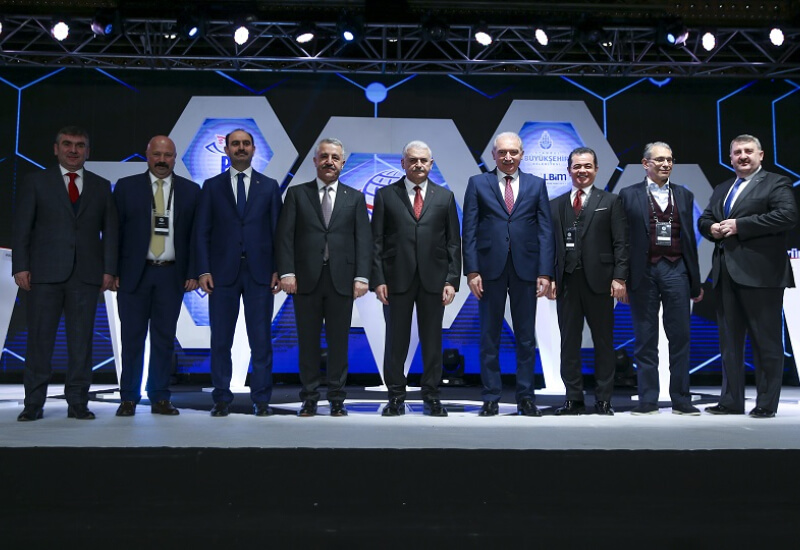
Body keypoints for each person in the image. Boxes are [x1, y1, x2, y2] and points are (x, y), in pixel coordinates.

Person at [12, 126, 118, 421]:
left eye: (80, 145)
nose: (73, 150)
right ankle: (33, 403)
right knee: (39, 341)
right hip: (44, 275)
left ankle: (78, 402)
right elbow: (22, 227)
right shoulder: (36, 182)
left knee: (81, 343)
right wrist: (20, 265)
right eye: (68, 144)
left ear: (88, 151)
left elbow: (111, 232)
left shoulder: (101, 185)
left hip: (86, 276)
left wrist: (109, 270)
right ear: (56, 149)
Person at [698, 134, 798, 418]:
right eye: (737, 152)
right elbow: (705, 218)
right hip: (725, 274)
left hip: (762, 275)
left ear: (760, 155)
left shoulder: (776, 182)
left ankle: (766, 403)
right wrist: (711, 228)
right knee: (729, 342)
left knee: (766, 341)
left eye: (748, 151)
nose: (742, 156)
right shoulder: (723, 188)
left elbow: (787, 216)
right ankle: (731, 401)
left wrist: (740, 225)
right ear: (730, 158)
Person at [276, 138, 371, 417]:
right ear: (315, 161)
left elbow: (363, 240)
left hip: (342, 280)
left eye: (335, 157)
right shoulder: (297, 194)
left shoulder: (355, 197)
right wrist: (287, 272)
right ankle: (309, 398)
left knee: (339, 343)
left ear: (343, 163)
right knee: (307, 342)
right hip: (305, 280)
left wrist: (362, 276)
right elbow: (285, 236)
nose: (330, 162)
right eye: (325, 156)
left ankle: (337, 398)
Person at [462, 131, 555, 416]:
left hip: (526, 268)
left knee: (525, 337)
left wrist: (545, 272)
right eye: (502, 152)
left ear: (522, 154)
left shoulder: (537, 184)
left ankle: (526, 397)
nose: (508, 157)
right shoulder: (478, 183)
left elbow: (545, 231)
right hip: (489, 269)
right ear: (493, 155)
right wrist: (472, 270)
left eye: (513, 152)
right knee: (489, 336)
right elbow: (470, 229)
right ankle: (491, 397)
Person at [195, 129, 282, 417]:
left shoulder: (269, 186)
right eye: (235, 144)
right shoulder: (211, 186)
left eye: (246, 144)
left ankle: (262, 400)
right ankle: (221, 398)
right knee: (221, 340)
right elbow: (201, 231)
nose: (241, 148)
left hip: (260, 274)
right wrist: (203, 270)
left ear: (254, 149)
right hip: (221, 275)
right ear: (226, 149)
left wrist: (278, 269)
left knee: (261, 341)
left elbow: (279, 233)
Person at [371, 141, 462, 417]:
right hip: (396, 279)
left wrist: (451, 280)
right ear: (403, 163)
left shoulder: (445, 197)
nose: (418, 164)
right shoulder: (386, 195)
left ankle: (431, 396)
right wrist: (378, 279)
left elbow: (453, 243)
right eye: (413, 160)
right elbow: (376, 242)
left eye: (423, 160)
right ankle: (395, 397)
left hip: (434, 280)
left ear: (431, 164)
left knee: (432, 341)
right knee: (395, 342)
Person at [112, 135, 200, 417]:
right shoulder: (126, 187)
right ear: (147, 155)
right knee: (132, 339)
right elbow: (114, 233)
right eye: (157, 154)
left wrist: (193, 272)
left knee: (164, 339)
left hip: (171, 275)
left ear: (175, 158)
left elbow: (196, 237)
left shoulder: (191, 190)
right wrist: (112, 271)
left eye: (168, 155)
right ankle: (128, 397)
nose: (162, 160)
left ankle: (160, 396)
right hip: (133, 275)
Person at [618, 142, 703, 416]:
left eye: (669, 159)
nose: (666, 164)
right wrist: (621, 278)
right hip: (643, 272)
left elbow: (689, 240)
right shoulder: (628, 195)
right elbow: (622, 239)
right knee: (645, 338)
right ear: (646, 164)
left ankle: (681, 400)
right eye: (660, 160)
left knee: (680, 337)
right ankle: (648, 400)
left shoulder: (684, 195)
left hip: (677, 270)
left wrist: (695, 281)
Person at [548, 147, 629, 416]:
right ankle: (573, 399)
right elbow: (548, 245)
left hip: (601, 282)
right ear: (568, 170)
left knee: (603, 342)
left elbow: (621, 243)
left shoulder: (611, 201)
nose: (582, 171)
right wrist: (549, 276)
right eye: (577, 166)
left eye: (587, 166)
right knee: (568, 343)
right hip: (567, 282)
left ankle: (604, 399)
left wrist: (619, 277)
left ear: (596, 169)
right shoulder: (556, 205)